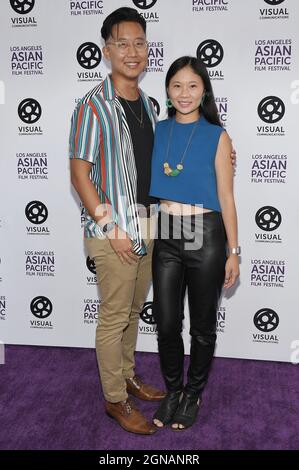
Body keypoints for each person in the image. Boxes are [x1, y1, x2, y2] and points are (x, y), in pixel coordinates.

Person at [69, 7, 165, 435]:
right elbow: (80, 174)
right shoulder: (92, 106)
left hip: (146, 225)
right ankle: (114, 399)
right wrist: (111, 228)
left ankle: (127, 374)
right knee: (113, 317)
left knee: (130, 311)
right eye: (122, 43)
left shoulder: (147, 102)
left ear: (148, 50)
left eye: (139, 43)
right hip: (115, 233)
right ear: (107, 50)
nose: (132, 51)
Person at [149, 56, 240, 430]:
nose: (184, 93)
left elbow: (226, 195)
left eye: (192, 86)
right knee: (167, 322)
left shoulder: (218, 136)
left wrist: (234, 251)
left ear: (204, 91)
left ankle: (193, 393)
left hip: (206, 233)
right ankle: (173, 390)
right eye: (176, 86)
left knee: (202, 326)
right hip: (167, 231)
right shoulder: (158, 131)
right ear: (168, 92)